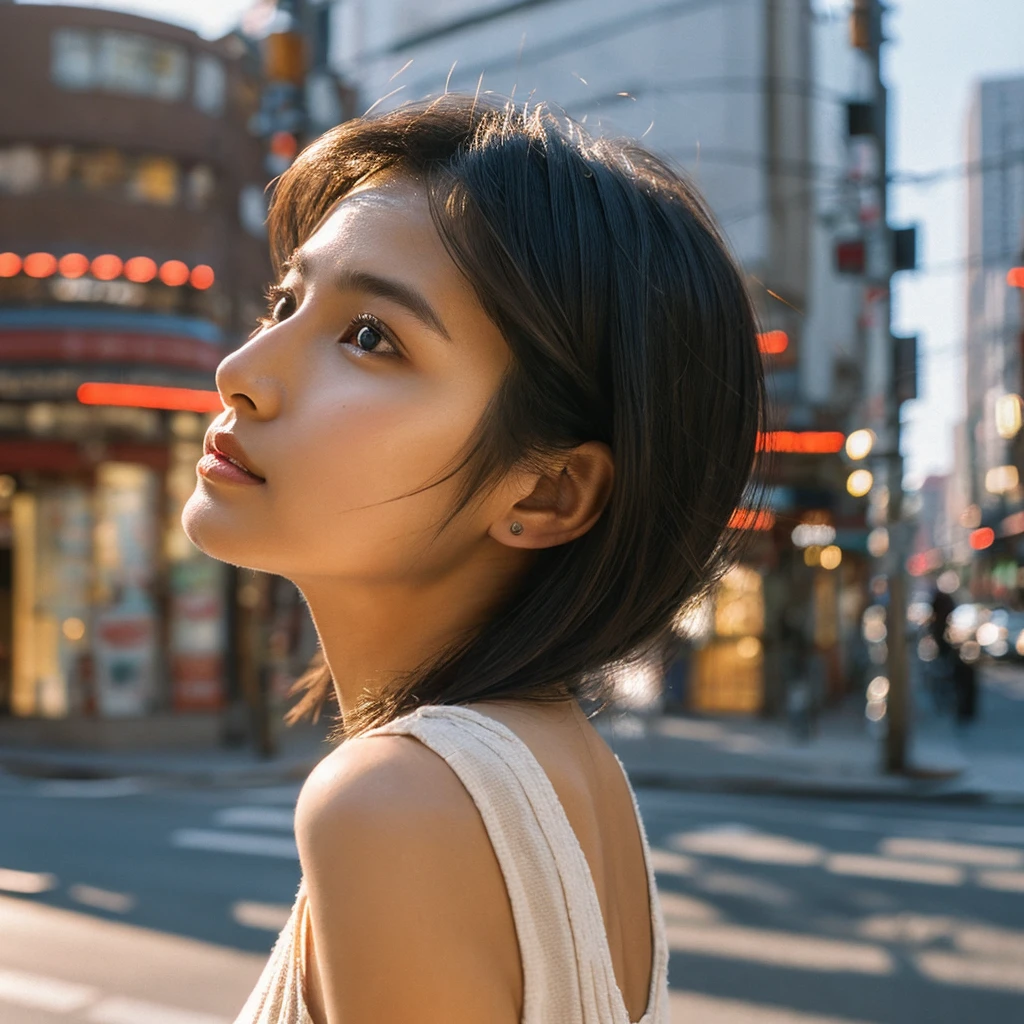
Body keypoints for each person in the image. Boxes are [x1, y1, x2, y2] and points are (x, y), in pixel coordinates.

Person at [182, 94, 765, 1024]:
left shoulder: (396, 803)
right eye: (286, 302)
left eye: (370, 337)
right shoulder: (569, 770)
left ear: (544, 492)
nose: (243, 371)